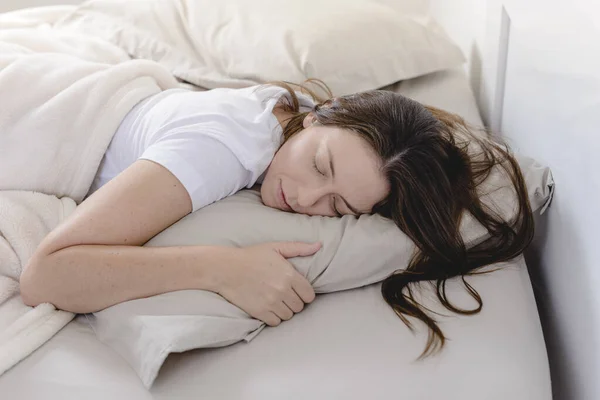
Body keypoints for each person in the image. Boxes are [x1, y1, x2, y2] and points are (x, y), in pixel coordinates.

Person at [20, 81, 534, 357]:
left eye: (337, 207)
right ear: (319, 114)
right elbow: (46, 275)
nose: (306, 199)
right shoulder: (216, 150)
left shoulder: (290, 119)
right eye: (319, 165)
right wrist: (218, 268)